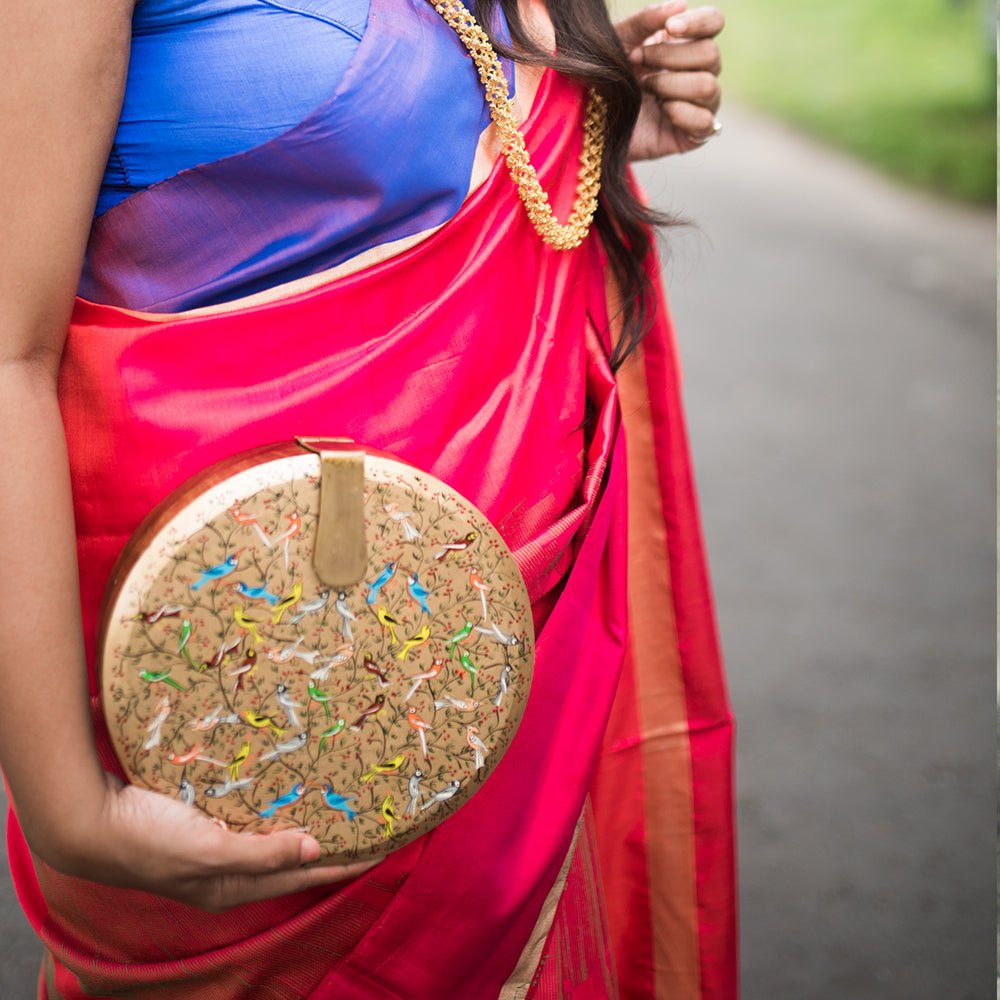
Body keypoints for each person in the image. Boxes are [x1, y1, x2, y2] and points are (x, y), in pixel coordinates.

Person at [1, 1, 734, 996]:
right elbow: (7, 350)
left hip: (482, 694)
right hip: (226, 692)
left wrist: (583, 119)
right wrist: (68, 809)